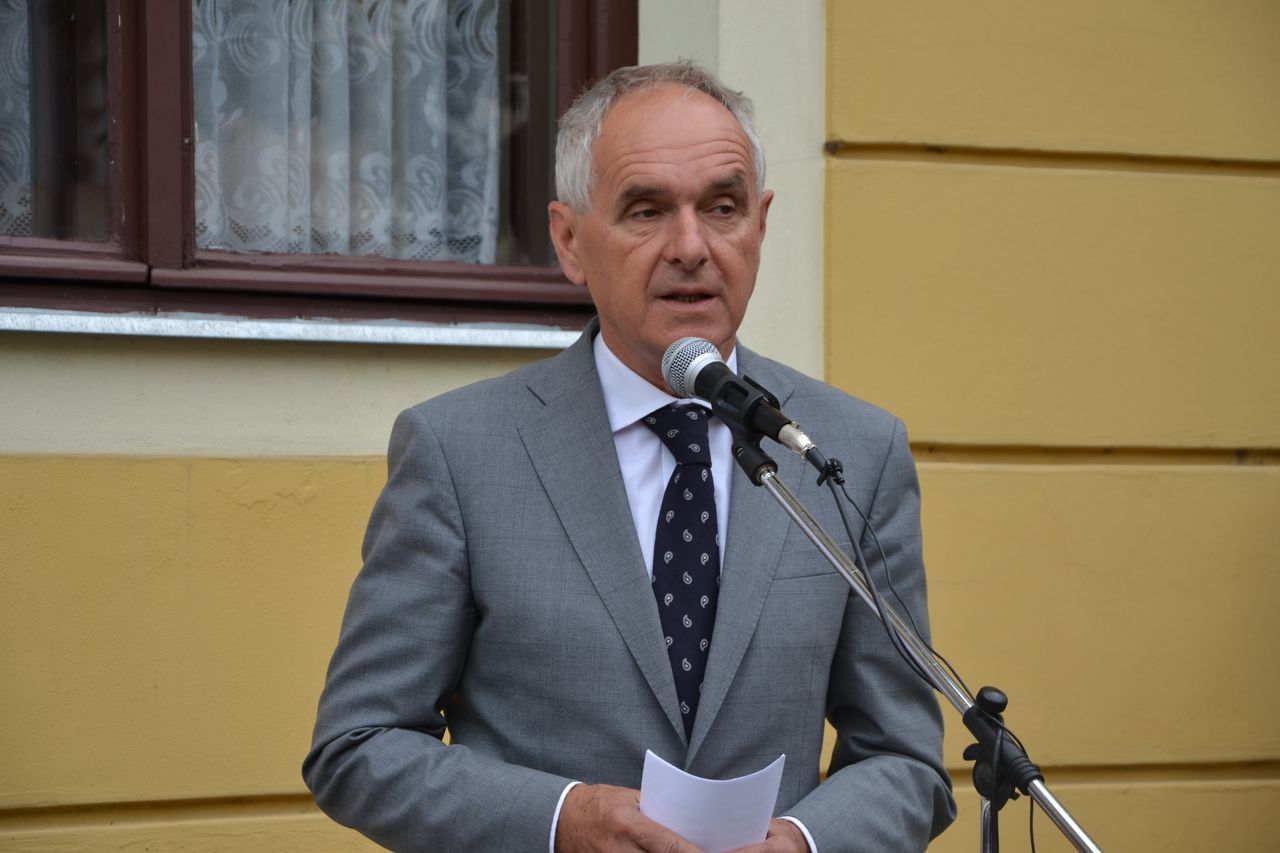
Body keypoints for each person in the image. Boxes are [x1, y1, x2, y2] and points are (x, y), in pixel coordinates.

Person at [303, 61, 955, 852]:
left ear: (760, 224)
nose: (691, 246)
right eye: (646, 211)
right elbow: (358, 745)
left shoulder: (848, 451)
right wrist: (560, 819)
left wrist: (804, 841)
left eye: (723, 207)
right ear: (569, 240)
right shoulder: (460, 452)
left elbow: (904, 758)